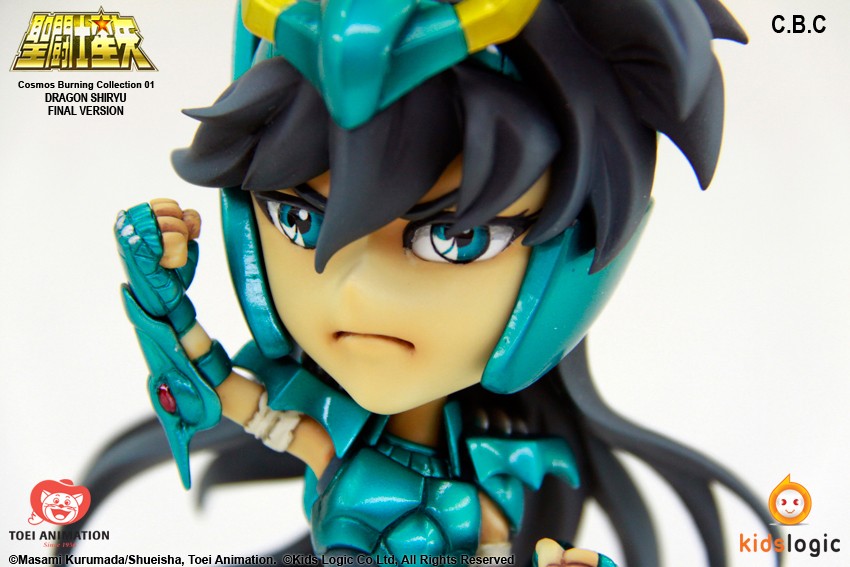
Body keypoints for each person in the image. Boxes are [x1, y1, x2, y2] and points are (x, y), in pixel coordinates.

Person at [85, 1, 775, 565]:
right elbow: (213, 392)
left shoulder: (490, 476)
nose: (359, 291)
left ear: (567, 268)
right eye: (300, 219)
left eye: (457, 238)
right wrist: (162, 302)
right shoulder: (328, 437)